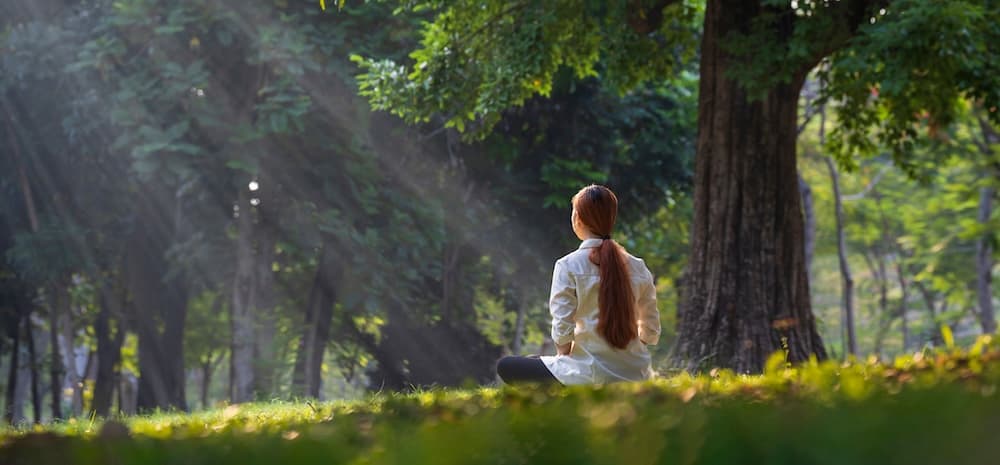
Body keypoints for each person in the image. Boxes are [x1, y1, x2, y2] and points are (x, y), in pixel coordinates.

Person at [496, 185, 661, 385]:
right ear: (611, 219)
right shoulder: (638, 266)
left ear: (577, 220)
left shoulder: (567, 265)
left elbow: (562, 326)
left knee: (507, 365)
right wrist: (627, 353)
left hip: (586, 375)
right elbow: (651, 331)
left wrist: (564, 355)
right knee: (534, 361)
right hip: (636, 374)